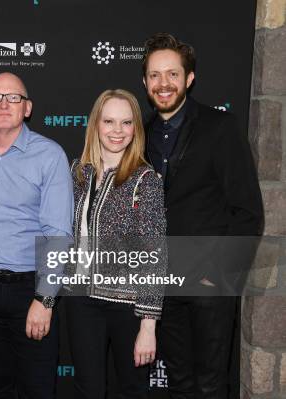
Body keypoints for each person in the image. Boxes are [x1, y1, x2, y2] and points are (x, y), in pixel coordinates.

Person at [142, 33, 263, 398]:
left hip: (210, 284)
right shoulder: (138, 132)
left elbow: (247, 212)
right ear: (145, 81)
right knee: (179, 383)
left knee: (211, 385)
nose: (164, 84)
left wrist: (218, 274)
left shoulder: (219, 127)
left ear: (189, 79)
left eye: (172, 74)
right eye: (155, 75)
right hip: (163, 283)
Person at [0, 72, 73, 399]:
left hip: (31, 291)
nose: (4, 104)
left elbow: (58, 235)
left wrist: (45, 299)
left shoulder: (49, 155)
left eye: (14, 98)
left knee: (37, 389)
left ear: (28, 107)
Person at [66, 89, 166, 398]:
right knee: (88, 389)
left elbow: (155, 254)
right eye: (109, 121)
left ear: (136, 127)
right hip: (80, 300)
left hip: (128, 307)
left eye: (126, 122)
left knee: (133, 390)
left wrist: (148, 326)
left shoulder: (145, 179)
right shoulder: (77, 173)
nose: (117, 131)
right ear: (95, 124)